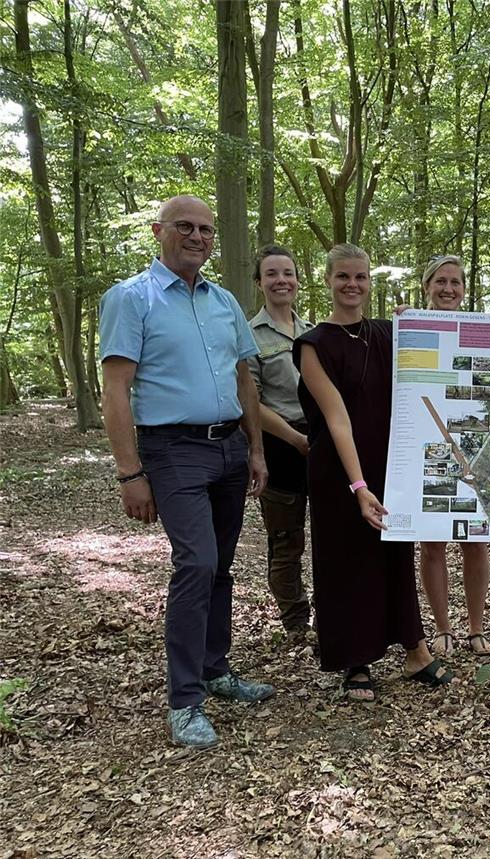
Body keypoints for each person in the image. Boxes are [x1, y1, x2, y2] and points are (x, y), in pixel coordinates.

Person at [99, 195, 273, 749]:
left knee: (220, 564)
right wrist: (130, 474)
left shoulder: (224, 301)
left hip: (228, 447)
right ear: (159, 231)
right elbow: (116, 388)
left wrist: (256, 449)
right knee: (195, 562)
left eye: (206, 229)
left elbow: (244, 379)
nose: (197, 237)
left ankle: (216, 669)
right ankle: (184, 701)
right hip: (171, 449)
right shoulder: (131, 299)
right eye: (185, 227)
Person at [294, 243, 455, 700]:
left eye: (360, 277)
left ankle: (415, 651)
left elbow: (438, 348)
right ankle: (356, 661)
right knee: (346, 562)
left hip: (391, 465)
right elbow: (336, 418)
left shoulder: (388, 332)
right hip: (339, 472)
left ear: (370, 282)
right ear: (327, 280)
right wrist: (359, 485)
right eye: (343, 276)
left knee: (394, 556)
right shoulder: (312, 345)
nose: (352, 285)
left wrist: (417, 317)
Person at [416, 255, 490, 656]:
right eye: (440, 282)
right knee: (432, 545)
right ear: (427, 286)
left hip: (474, 450)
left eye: (455, 283)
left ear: (464, 289)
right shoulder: (409, 328)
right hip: (425, 449)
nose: (448, 289)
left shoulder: (480, 329)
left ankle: (476, 628)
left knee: (475, 543)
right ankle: (443, 628)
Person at [247, 245, 314, 644]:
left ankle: (334, 615)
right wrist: (294, 438)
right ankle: (295, 623)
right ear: (259, 283)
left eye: (287, 273)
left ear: (297, 281)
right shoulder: (249, 335)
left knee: (329, 539)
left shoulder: (312, 332)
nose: (281, 281)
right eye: (271, 274)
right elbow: (249, 401)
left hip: (319, 445)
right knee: (286, 543)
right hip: (278, 446)